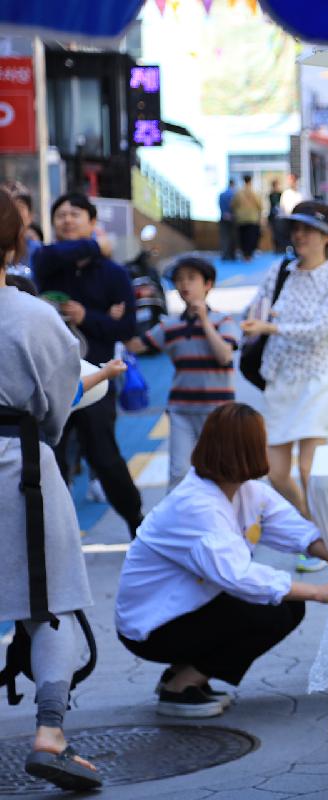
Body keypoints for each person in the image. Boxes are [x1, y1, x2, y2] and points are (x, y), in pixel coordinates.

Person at [115, 403, 328, 718]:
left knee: (284, 604)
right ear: (247, 450)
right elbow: (238, 576)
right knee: (272, 610)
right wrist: (319, 592)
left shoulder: (245, 491)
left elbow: (297, 531)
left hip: (185, 608)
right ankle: (181, 686)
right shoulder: (197, 506)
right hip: (151, 625)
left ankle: (184, 672)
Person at [0, 192, 103, 790]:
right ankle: (49, 733)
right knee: (49, 602)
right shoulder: (34, 316)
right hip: (22, 472)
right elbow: (59, 401)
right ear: (17, 244)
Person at [241, 202, 328, 554]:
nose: (299, 236)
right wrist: (251, 321)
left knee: (308, 470)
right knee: (275, 473)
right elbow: (256, 307)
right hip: (280, 381)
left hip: (318, 382)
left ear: (327, 237)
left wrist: (271, 325)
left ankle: (322, 542)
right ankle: (312, 528)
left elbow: (320, 330)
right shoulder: (280, 271)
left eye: (308, 230)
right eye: (296, 229)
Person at [33, 192, 143, 539]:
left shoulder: (113, 274)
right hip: (51, 380)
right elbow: (47, 253)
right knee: (52, 459)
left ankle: (138, 525)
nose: (66, 220)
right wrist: (97, 246)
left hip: (99, 378)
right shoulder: (48, 264)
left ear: (93, 222)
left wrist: (88, 317)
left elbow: (127, 329)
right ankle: (56, 537)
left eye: (75, 214)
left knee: (105, 457)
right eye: (60, 215)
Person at [124, 256, 238, 490]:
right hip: (181, 410)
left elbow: (224, 355)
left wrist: (204, 321)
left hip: (218, 412)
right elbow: (136, 345)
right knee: (179, 472)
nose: (184, 285)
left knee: (221, 471)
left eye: (191, 279)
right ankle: (177, 524)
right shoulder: (170, 326)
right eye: (179, 280)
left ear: (208, 285)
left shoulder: (222, 321)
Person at [232, 174, 263, 261]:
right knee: (251, 237)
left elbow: (233, 205)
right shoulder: (255, 192)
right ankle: (249, 254)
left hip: (241, 219)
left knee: (243, 237)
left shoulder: (238, 192)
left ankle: (245, 254)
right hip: (252, 218)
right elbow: (260, 205)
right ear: (251, 180)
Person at [217, 179, 236, 262]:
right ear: (233, 184)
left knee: (224, 237)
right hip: (233, 218)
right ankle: (232, 255)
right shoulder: (235, 194)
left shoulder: (222, 194)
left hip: (223, 217)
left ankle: (225, 255)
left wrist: (225, 213)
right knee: (233, 237)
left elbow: (219, 205)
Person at [267, 178, 287, 254]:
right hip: (273, 216)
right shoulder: (271, 195)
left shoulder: (281, 194)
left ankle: (281, 247)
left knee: (281, 233)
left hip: (280, 216)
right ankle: (277, 248)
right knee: (275, 233)